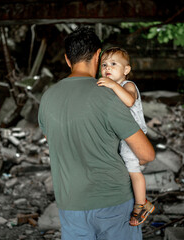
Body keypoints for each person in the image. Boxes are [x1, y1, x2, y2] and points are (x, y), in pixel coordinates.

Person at [38, 26, 155, 240]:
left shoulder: (47, 98)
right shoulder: (107, 95)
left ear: (67, 59)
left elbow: (54, 139)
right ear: (98, 55)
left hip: (70, 204)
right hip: (112, 201)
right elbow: (147, 154)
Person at [97, 47, 155, 226]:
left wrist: (113, 85)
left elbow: (129, 101)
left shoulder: (127, 85)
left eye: (114, 64)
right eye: (104, 64)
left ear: (126, 70)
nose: (108, 68)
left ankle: (142, 204)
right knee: (126, 170)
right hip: (123, 136)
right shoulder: (112, 88)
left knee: (133, 171)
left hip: (134, 135)